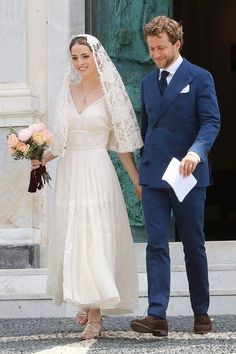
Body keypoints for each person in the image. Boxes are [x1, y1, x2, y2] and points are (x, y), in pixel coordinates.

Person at [31, 34, 143, 340]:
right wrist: (39, 157)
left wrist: (136, 180)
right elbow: (61, 140)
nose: (80, 63)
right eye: (75, 57)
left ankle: (95, 315)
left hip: (96, 170)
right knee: (74, 234)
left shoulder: (110, 94)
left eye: (85, 56)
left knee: (94, 236)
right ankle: (84, 296)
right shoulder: (67, 91)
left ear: (97, 57)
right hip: (70, 171)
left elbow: (122, 145)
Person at [130, 16, 221, 337]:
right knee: (156, 244)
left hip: (188, 174)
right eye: (151, 48)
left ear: (177, 43)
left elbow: (211, 121)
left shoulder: (199, 77)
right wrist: (142, 173)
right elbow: (146, 131)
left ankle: (201, 312)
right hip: (155, 175)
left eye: (161, 48)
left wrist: (196, 153)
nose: (155, 54)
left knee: (193, 244)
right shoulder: (145, 83)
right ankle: (157, 314)